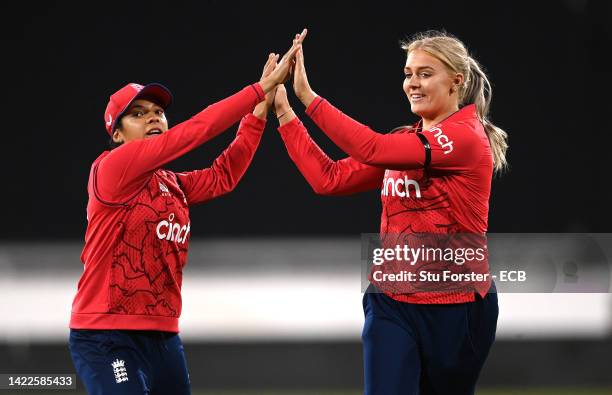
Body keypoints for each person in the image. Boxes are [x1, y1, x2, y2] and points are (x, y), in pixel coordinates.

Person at [68, 30, 307, 395]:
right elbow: (196, 131)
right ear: (116, 134)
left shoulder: (170, 183)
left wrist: (257, 114)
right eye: (137, 114)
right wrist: (258, 90)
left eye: (159, 112)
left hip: (163, 335)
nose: (153, 118)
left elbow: (223, 176)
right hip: (106, 336)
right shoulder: (111, 169)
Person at [274, 31, 507, 394]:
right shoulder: (405, 141)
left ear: (456, 82)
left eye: (425, 73)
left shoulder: (466, 137)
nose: (412, 83)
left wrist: (308, 97)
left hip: (457, 308)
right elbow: (329, 179)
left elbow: (372, 147)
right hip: (392, 303)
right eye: (408, 73)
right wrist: (286, 114)